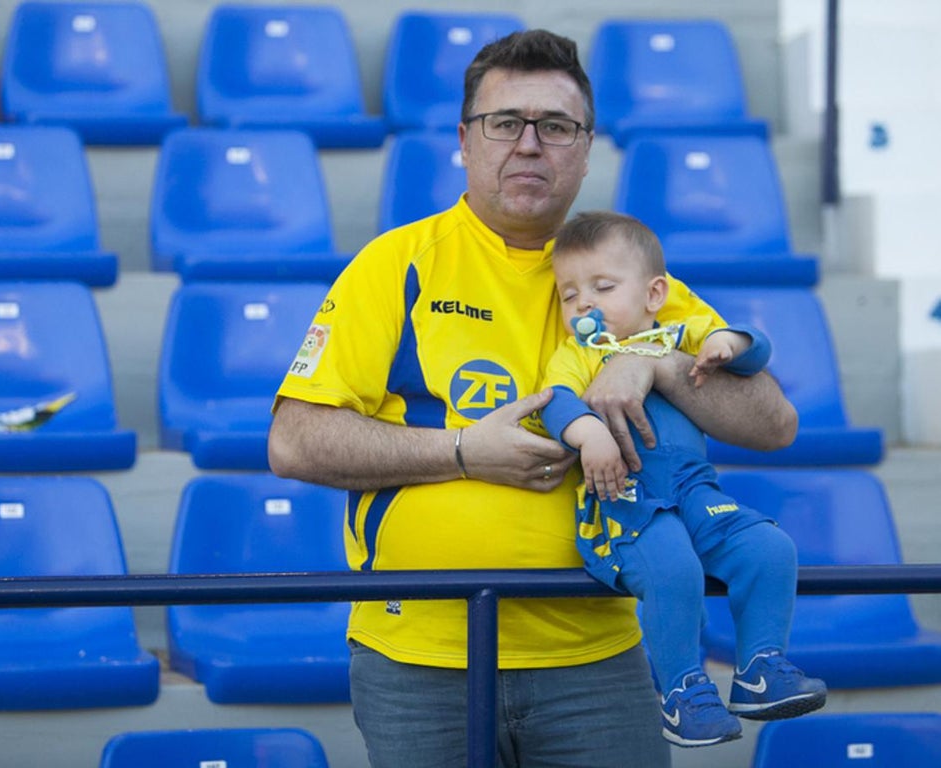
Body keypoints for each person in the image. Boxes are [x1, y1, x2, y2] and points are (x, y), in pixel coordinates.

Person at [268, 29, 797, 768]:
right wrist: (461, 452)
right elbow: (293, 441)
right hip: (421, 657)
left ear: (585, 148)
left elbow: (773, 422)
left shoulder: (623, 271)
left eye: (555, 126)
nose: (528, 144)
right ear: (464, 140)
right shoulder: (396, 264)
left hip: (598, 657)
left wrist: (656, 366)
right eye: (504, 122)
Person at [538, 211, 827, 748]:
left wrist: (729, 343)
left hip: (695, 490)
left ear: (654, 294)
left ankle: (760, 670)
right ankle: (681, 692)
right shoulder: (579, 352)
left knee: (769, 548)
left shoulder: (675, 334)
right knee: (673, 569)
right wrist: (589, 436)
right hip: (627, 500)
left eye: (603, 287)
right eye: (568, 293)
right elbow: (555, 400)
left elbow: (753, 349)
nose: (583, 304)